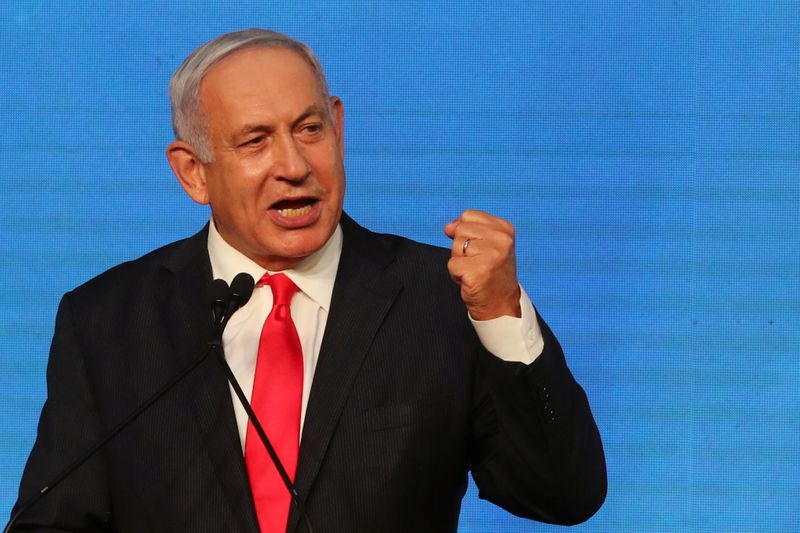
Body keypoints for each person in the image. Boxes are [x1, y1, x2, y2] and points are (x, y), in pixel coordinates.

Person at [12, 29, 606, 532]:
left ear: (338, 127)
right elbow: (55, 518)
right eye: (255, 141)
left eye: (309, 129)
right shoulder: (109, 320)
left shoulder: (442, 299)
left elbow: (562, 495)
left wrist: (500, 313)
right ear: (193, 173)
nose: (294, 166)